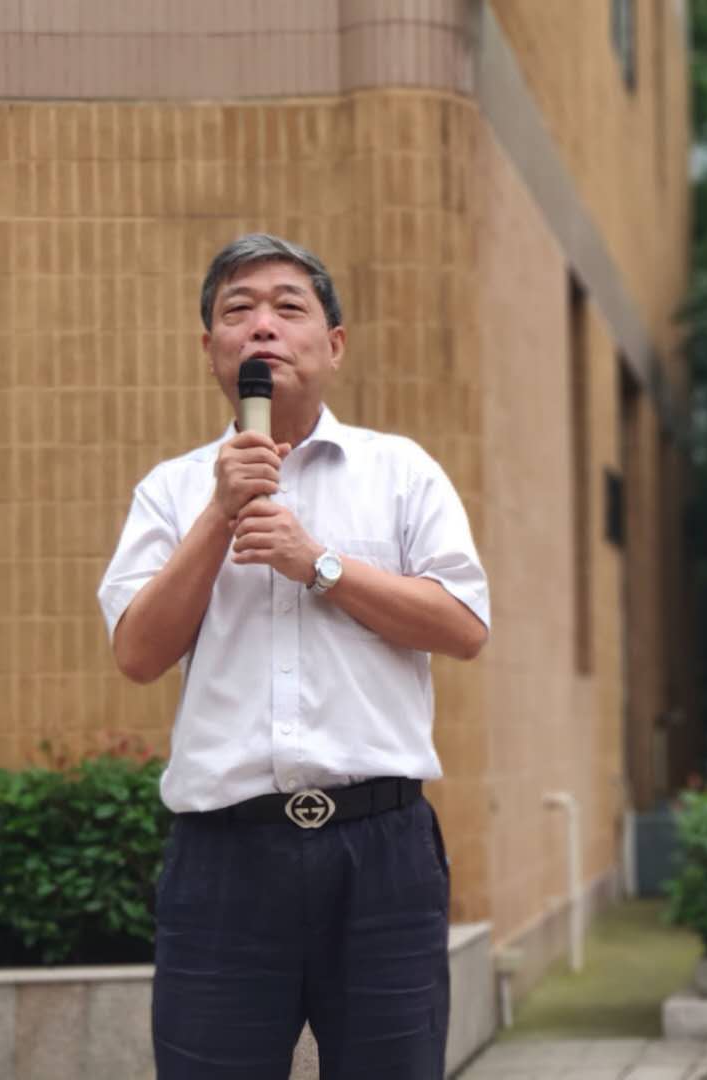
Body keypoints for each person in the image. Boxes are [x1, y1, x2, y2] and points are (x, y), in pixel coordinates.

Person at [97, 233, 490, 1078]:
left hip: (381, 854)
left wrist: (320, 564)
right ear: (210, 349)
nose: (262, 326)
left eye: (288, 307)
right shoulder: (170, 490)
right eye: (237, 310)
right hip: (225, 859)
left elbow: (463, 625)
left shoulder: (401, 472)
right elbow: (137, 652)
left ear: (334, 344)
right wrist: (219, 512)